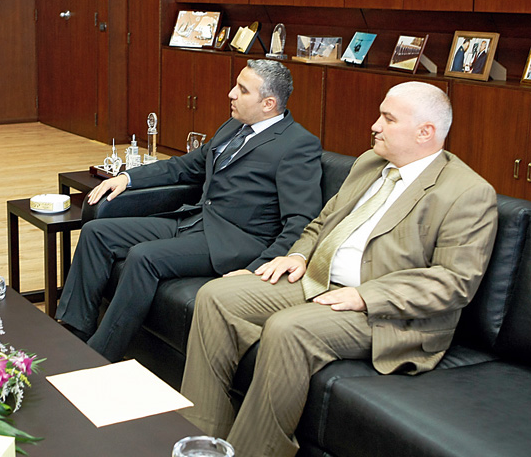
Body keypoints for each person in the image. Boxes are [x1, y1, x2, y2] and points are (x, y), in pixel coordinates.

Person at [180, 81, 497, 457]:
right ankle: (200, 440)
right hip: (319, 279)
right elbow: (322, 222)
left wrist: (365, 296)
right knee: (216, 297)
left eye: (388, 118)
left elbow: (454, 282)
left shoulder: (467, 193)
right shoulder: (370, 164)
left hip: (387, 313)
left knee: (288, 328)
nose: (375, 125)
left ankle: (252, 452)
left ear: (425, 132)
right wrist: (298, 256)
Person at [55, 59, 323, 363]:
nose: (231, 93)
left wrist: (255, 270)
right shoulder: (233, 127)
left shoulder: (298, 145)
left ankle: (97, 358)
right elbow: (185, 166)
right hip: (195, 220)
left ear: (268, 103)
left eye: (242, 90)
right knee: (96, 233)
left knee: (144, 257)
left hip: (233, 242)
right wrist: (128, 178)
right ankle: (75, 332)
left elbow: (301, 220)